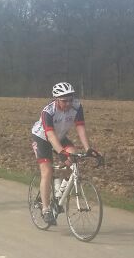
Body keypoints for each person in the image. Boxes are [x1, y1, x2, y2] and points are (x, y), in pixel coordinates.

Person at [30, 82, 98, 225]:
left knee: (73, 158)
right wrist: (60, 152)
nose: (68, 103)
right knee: (47, 171)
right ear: (56, 99)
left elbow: (80, 128)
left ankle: (59, 193)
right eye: (64, 100)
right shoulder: (48, 111)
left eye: (70, 99)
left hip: (60, 137)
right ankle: (46, 209)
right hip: (42, 138)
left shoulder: (77, 107)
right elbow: (50, 134)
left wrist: (87, 148)